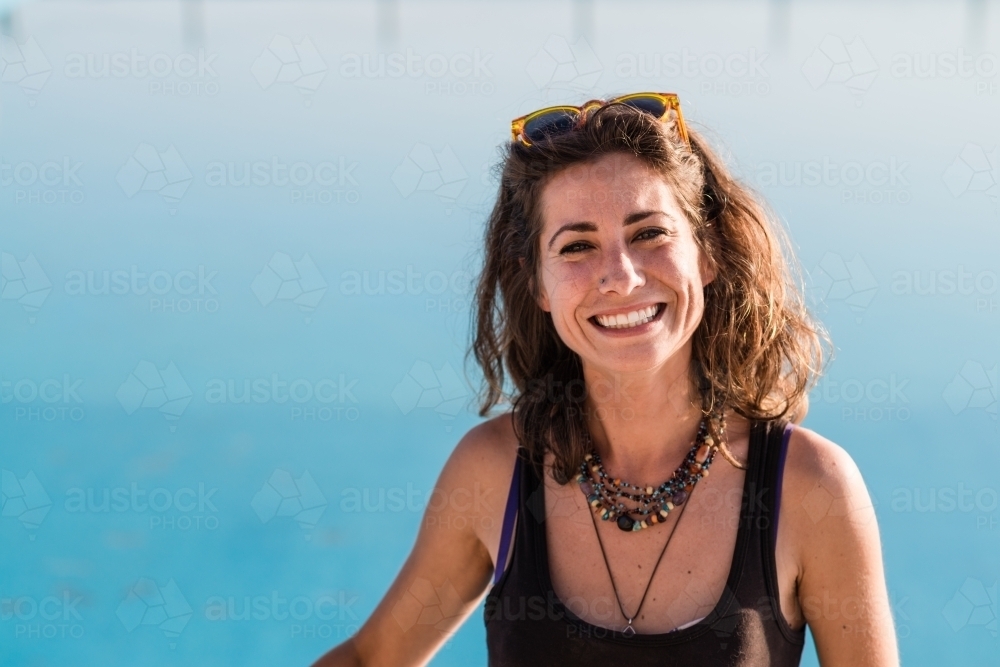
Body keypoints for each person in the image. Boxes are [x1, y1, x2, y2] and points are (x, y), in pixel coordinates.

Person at [313, 92, 899, 666]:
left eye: (650, 233)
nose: (619, 277)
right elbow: (371, 657)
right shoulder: (493, 471)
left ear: (708, 253)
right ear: (539, 285)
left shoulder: (812, 489)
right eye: (577, 246)